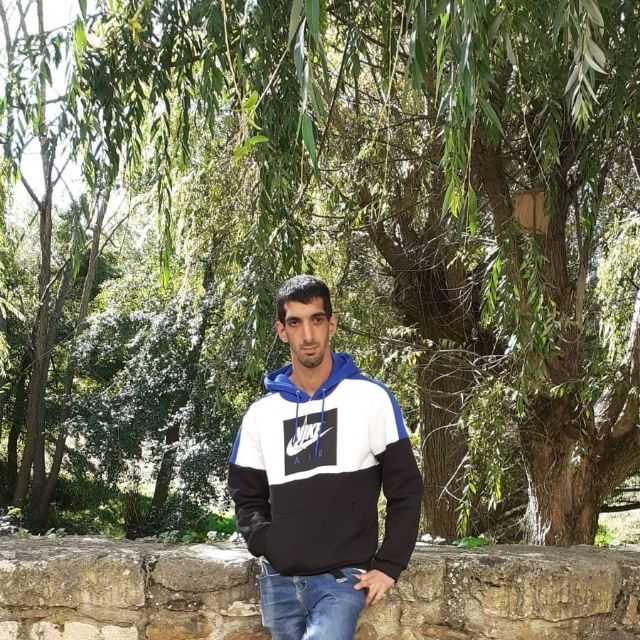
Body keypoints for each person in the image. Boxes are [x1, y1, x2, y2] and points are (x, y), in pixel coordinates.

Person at [227, 275, 423, 640]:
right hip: (280, 581)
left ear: (331, 324)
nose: (308, 335)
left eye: (317, 320)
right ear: (282, 331)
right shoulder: (261, 414)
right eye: (295, 323)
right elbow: (246, 495)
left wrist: (389, 565)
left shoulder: (370, 399)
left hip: (341, 580)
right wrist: (270, 544)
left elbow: (406, 489)